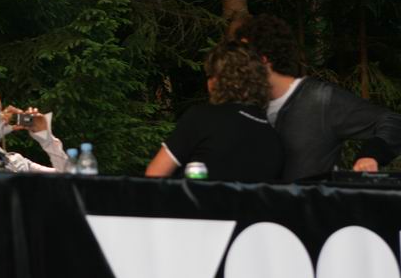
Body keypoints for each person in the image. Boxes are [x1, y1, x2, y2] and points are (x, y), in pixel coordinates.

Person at [235, 14, 401, 181]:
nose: (236, 65)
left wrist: (370, 155)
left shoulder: (320, 99)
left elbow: (393, 122)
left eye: (243, 58)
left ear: (263, 60)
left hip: (313, 198)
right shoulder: (246, 106)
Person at [145, 42, 284, 181]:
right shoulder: (273, 138)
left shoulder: (202, 118)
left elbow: (155, 175)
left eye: (210, 75)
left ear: (217, 80)